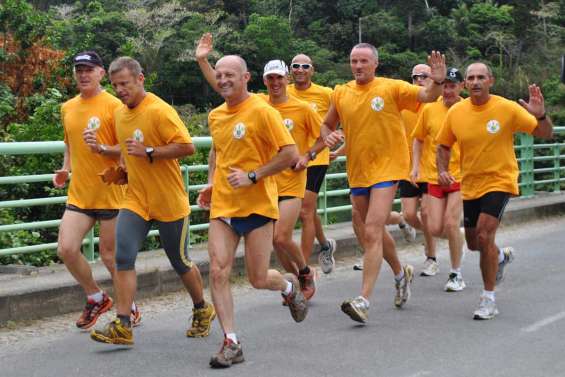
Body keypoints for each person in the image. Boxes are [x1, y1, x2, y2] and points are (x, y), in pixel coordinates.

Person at [90, 57, 215, 345]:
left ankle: (201, 308)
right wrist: (120, 173)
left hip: (168, 200)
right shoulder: (120, 115)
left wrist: (149, 152)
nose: (120, 90)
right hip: (136, 200)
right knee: (123, 256)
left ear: (140, 79)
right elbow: (126, 153)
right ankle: (123, 324)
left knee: (180, 261)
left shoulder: (160, 110)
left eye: (125, 84)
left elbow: (187, 147)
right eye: (116, 85)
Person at [323, 43, 447, 323]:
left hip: (388, 168)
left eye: (364, 61)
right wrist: (328, 135)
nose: (358, 66)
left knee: (372, 228)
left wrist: (438, 80)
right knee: (369, 229)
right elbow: (327, 123)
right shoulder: (341, 93)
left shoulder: (392, 88)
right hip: (358, 171)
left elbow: (428, 95)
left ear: (375, 64)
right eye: (354, 60)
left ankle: (363, 300)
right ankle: (401, 275)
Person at [198, 54, 307, 368]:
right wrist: (210, 183)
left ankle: (287, 286)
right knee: (218, 271)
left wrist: (253, 175)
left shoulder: (262, 111)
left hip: (258, 205)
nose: (223, 80)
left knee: (258, 279)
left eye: (230, 75)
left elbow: (290, 154)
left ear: (246, 77)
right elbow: (218, 152)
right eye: (219, 75)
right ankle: (231, 342)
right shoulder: (216, 115)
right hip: (224, 206)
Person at [195, 34, 321, 300]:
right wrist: (202, 60)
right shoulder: (257, 103)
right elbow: (224, 85)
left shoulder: (301, 107)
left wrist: (308, 155)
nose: (275, 82)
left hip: (290, 178)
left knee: (283, 237)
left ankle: (304, 271)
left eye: (280, 77)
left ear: (287, 79)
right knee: (268, 253)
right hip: (259, 183)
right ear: (262, 80)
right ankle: (291, 284)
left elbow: (322, 135)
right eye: (271, 78)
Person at [436, 62, 553, 319]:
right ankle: (500, 256)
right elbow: (443, 145)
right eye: (471, 78)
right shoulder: (456, 112)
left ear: (491, 80)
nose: (476, 82)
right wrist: (442, 170)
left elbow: (545, 133)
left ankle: (488, 299)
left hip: (500, 180)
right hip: (471, 183)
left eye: (481, 77)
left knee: (486, 236)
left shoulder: (507, 108)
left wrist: (541, 114)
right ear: (465, 84)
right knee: (475, 242)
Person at [54, 51, 141, 330]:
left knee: (110, 256)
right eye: (79, 69)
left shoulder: (115, 106)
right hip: (80, 193)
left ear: (101, 73)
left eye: (89, 69)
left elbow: (128, 147)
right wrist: (65, 168)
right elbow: (69, 144)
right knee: (66, 249)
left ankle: (130, 307)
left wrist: (103, 148)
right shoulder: (67, 107)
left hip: (111, 192)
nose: (83, 74)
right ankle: (95, 296)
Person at [411, 67, 466, 292]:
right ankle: (457, 237)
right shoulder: (429, 109)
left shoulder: (469, 109)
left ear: (461, 86)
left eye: (452, 85)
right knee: (433, 228)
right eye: (444, 85)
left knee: (451, 222)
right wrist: (415, 167)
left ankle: (456, 274)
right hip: (434, 175)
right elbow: (418, 139)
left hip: (461, 175)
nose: (448, 90)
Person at [287, 54, 338, 274]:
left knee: (305, 212)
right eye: (295, 66)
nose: (300, 69)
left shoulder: (326, 94)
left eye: (304, 66)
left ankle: (304, 271)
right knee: (310, 210)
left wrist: (337, 144)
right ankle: (326, 245)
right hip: (289, 161)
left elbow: (344, 121)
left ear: (312, 70)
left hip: (316, 158)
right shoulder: (283, 91)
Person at [400, 64, 438, 276]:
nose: (420, 80)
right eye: (416, 77)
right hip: (408, 167)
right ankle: (429, 235)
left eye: (425, 76)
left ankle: (431, 257)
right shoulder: (405, 105)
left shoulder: (440, 103)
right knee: (409, 215)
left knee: (426, 212)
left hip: (432, 167)